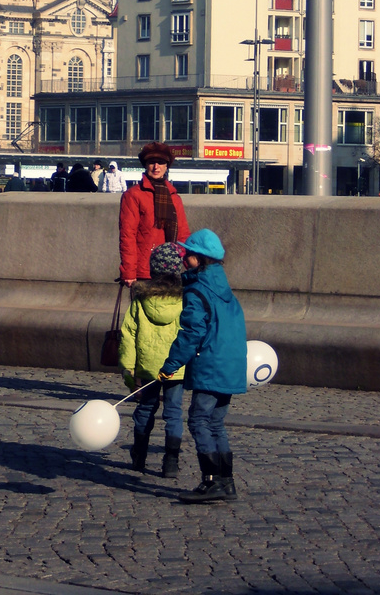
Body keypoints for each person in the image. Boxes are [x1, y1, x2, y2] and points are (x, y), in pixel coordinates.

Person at [159, 228, 248, 504]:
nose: (184, 258)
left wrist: (171, 365)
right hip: (231, 365)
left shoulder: (198, 290)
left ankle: (211, 481)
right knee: (216, 423)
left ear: (200, 259)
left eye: (188, 254)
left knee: (199, 420)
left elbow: (191, 333)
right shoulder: (226, 291)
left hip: (211, 364)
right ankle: (227, 482)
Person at [119, 243, 185, 477]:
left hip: (147, 366)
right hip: (176, 368)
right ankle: (171, 462)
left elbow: (129, 334)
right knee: (174, 413)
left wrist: (128, 369)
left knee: (146, 409)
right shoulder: (185, 299)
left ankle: (139, 455)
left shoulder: (140, 299)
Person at [118, 142, 190, 285]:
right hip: (144, 270)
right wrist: (129, 271)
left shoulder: (174, 198)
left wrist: (190, 268)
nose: (156, 167)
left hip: (170, 269)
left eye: (161, 162)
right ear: (145, 165)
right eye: (152, 162)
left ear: (166, 166)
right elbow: (127, 235)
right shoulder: (134, 195)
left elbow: (183, 235)